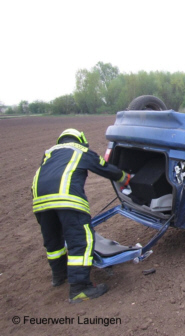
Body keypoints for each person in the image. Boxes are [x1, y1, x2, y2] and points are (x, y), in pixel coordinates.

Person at [32, 128, 132, 303]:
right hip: (67, 201)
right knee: (81, 242)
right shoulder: (80, 150)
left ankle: (59, 277)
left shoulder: (49, 153)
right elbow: (104, 167)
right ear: (81, 140)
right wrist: (124, 177)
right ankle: (80, 289)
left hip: (40, 202)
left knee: (53, 243)